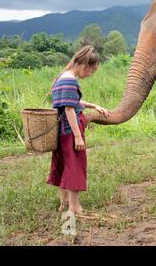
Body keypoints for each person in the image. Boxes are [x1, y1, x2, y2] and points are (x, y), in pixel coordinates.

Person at [47, 45, 109, 214]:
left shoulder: (63, 77)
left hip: (63, 132)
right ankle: (74, 207)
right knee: (74, 166)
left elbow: (74, 102)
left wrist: (94, 105)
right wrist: (78, 137)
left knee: (65, 165)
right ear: (85, 65)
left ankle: (64, 204)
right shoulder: (70, 80)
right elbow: (69, 109)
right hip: (70, 131)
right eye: (91, 71)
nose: (89, 75)